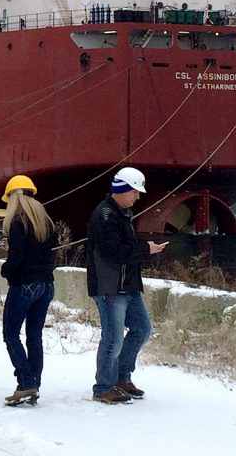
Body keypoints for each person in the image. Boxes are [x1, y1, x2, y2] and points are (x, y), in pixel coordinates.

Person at [86, 166, 168, 403]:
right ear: (122, 190)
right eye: (135, 192)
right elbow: (112, 252)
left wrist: (143, 247)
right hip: (110, 286)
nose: (138, 196)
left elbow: (123, 247)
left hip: (128, 285)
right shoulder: (105, 215)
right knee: (112, 338)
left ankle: (121, 377)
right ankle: (103, 387)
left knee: (142, 329)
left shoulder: (121, 214)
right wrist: (146, 249)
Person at [0, 174, 55, 406]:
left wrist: (5, 270)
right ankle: (34, 384)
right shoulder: (45, 221)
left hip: (24, 285)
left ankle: (26, 380)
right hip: (46, 284)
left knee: (10, 334)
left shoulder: (17, 221)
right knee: (35, 335)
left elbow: (16, 260)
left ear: (14, 197)